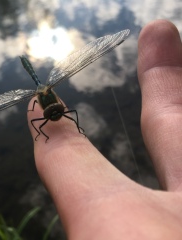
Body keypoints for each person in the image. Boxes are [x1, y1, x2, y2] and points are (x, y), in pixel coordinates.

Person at [27, 20, 182, 239]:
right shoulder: (39, 106)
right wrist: (44, 134)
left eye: (57, 109)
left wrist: (76, 128)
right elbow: (38, 124)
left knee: (71, 116)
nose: (56, 114)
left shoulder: (59, 108)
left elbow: (71, 115)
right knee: (38, 122)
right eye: (52, 111)